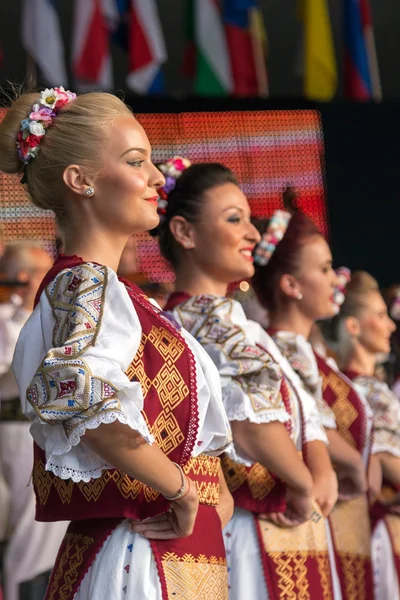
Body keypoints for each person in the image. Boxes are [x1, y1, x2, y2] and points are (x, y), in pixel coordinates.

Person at [0, 88, 232, 599]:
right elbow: (76, 391)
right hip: (140, 558)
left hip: (168, 553)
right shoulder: (86, 285)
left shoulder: (113, 293)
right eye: (136, 161)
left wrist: (206, 489)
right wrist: (180, 488)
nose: (155, 177)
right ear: (80, 180)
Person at [157, 158, 340, 600]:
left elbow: (300, 405)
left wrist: (318, 472)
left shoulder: (237, 322)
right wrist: (302, 482)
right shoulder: (198, 319)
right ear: (184, 233)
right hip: (253, 523)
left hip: (286, 512)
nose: (253, 234)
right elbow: (250, 425)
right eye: (233, 219)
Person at [252, 207, 374, 600]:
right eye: (323, 269)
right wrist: (354, 462)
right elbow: (309, 422)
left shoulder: (303, 350)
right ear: (291, 284)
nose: (333, 280)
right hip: (297, 513)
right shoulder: (284, 348)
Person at [0, 241, 68, 600]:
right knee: (27, 526)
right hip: (13, 431)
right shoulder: (2, 320)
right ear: (26, 278)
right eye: (45, 273)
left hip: (49, 432)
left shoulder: (55, 320)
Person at [331, 271, 400, 600]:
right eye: (380, 315)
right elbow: (387, 458)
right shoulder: (364, 389)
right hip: (381, 526)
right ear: (353, 326)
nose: (390, 326)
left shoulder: (348, 386)